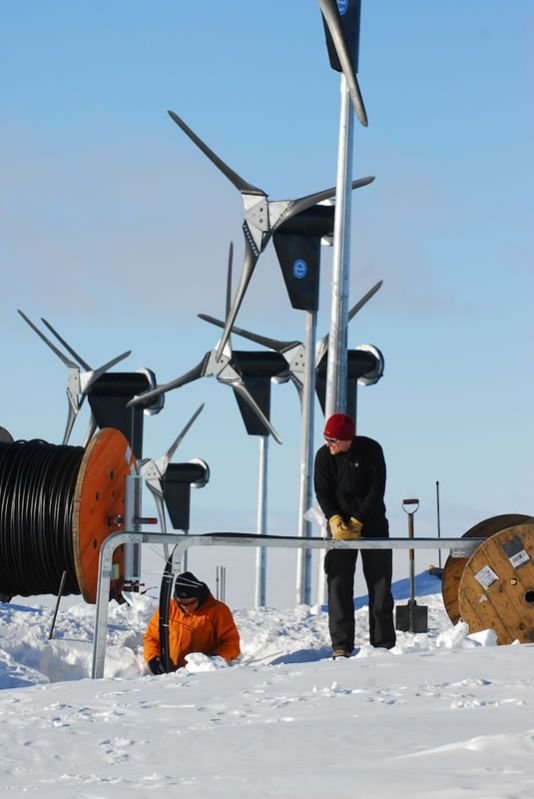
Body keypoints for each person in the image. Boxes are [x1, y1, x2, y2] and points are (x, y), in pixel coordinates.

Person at [314, 412, 396, 658]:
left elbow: (376, 488)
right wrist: (335, 519)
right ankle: (341, 645)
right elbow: (322, 491)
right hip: (339, 527)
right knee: (338, 584)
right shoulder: (323, 457)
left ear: (346, 439)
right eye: (326, 440)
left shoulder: (372, 451)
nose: (328, 445)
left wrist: (359, 520)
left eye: (332, 441)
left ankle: (382, 644)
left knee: (380, 586)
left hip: (372, 524)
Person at [144, 571, 241, 673]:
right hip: (171, 677)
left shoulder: (218, 610)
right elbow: (151, 638)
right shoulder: (167, 609)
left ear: (199, 596)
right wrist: (153, 660)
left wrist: (214, 660)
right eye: (181, 603)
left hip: (203, 676)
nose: (186, 607)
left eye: (191, 603)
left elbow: (231, 642)